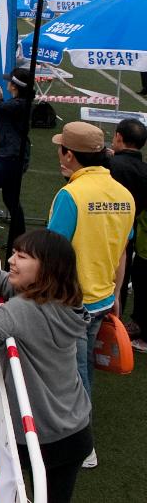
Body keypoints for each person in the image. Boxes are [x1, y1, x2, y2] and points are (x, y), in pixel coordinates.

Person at [0, 230, 92, 503]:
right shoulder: (65, 300)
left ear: (46, 269)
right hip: (76, 429)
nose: (12, 260)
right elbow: (8, 284)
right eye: (14, 252)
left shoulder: (22, 310)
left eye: (22, 256)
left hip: (41, 436)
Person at [46, 121, 134, 438]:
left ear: (69, 155)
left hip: (69, 303)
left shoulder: (71, 195)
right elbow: (123, 252)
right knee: (83, 367)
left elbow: (50, 253)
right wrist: (116, 298)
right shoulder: (124, 195)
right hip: (102, 300)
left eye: (61, 149)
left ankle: (79, 438)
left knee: (73, 372)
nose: (59, 154)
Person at [0, 69, 35, 252]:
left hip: (10, 157)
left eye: (10, 82)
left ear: (15, 86)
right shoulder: (20, 103)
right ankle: (18, 239)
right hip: (15, 156)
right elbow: (4, 109)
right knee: (10, 198)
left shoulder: (19, 104)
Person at [108, 118, 147, 349]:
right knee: (122, 277)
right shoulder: (143, 171)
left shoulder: (109, 165)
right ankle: (116, 323)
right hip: (129, 232)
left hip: (104, 229)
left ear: (119, 138)